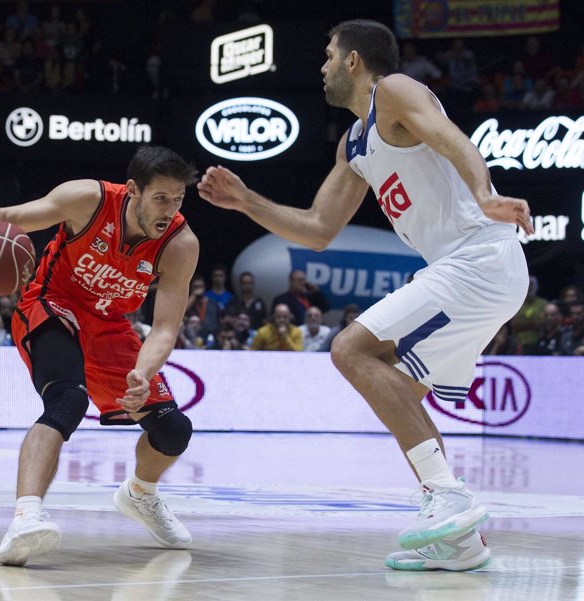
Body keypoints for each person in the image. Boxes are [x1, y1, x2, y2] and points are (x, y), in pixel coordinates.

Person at [198, 19, 533, 572]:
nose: (323, 65)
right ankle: (460, 544)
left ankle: (448, 494)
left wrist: (484, 194)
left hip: (480, 257)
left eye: (329, 55)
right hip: (469, 270)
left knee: (350, 350)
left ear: (354, 60)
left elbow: (453, 140)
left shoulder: (395, 91)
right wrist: (246, 201)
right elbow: (319, 229)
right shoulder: (354, 144)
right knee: (398, 392)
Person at [0, 146, 199, 566]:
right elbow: (10, 217)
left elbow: (164, 328)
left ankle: (140, 493)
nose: (169, 209)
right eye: (161, 198)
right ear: (134, 190)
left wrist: (142, 372)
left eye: (178, 199)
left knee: (174, 431)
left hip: (110, 327)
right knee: (68, 399)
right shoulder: (88, 199)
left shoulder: (180, 243)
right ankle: (25, 518)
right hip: (51, 304)